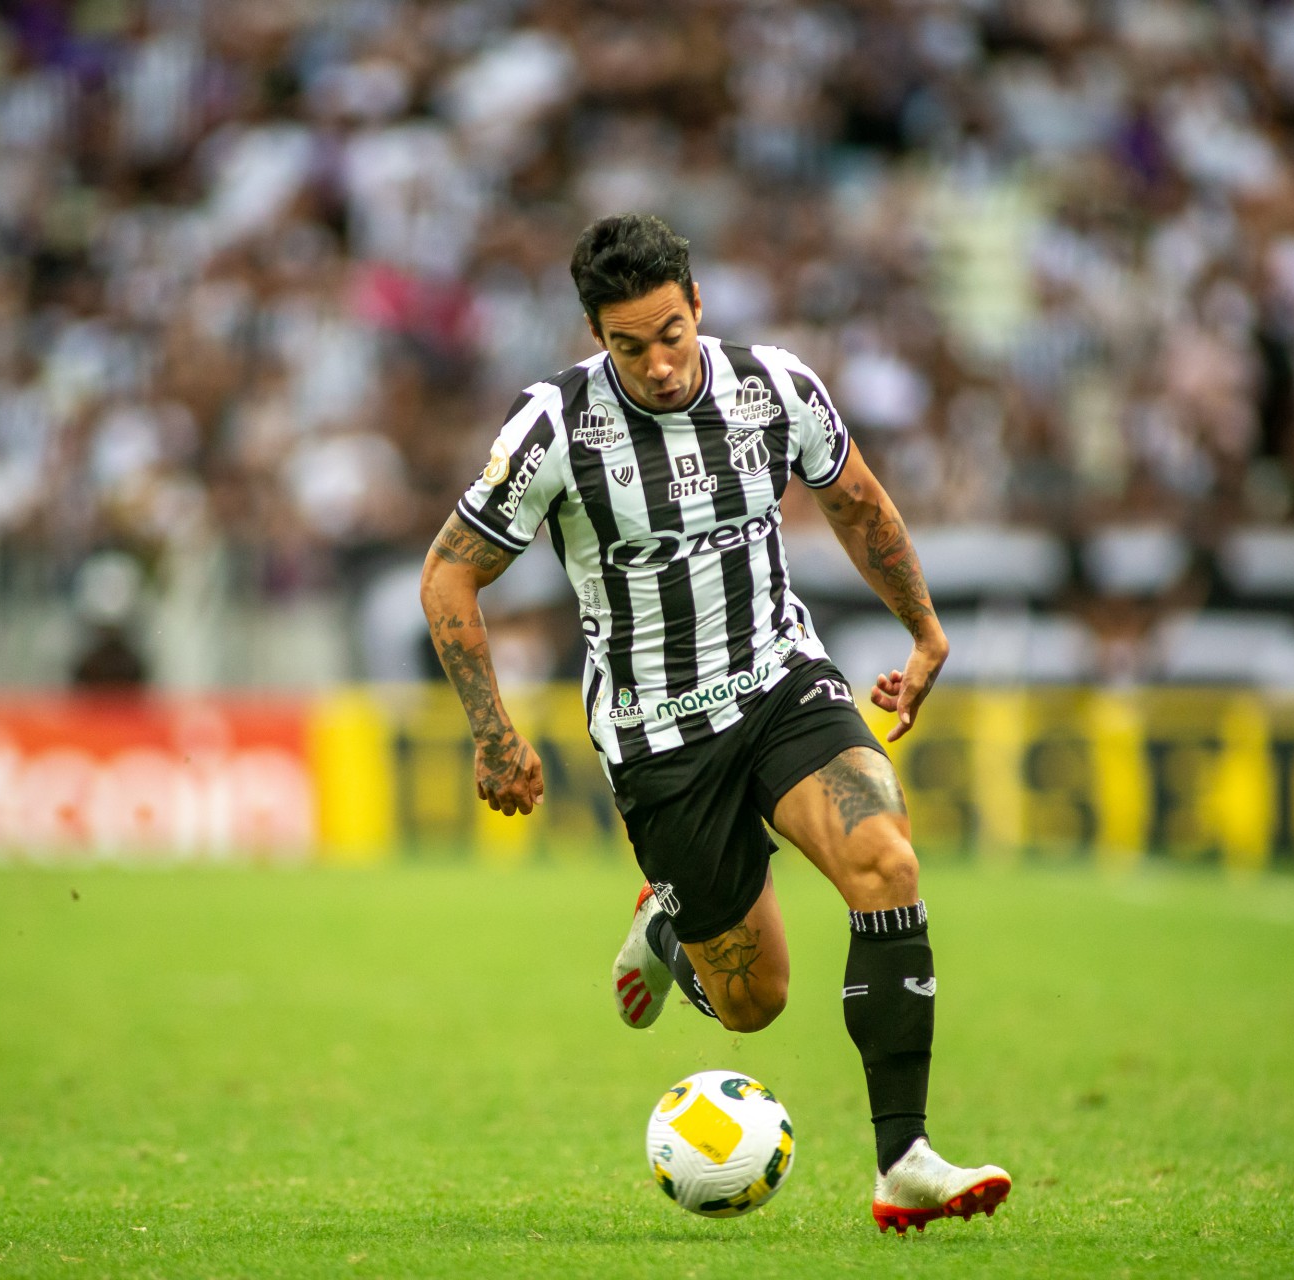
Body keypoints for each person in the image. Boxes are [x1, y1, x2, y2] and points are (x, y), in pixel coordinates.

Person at [419, 214, 1010, 1231]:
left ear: (699, 306)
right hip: (660, 742)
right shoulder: (553, 427)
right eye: (627, 345)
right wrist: (492, 730)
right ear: (596, 338)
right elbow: (448, 573)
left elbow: (858, 502)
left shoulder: (774, 386)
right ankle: (667, 921)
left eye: (670, 333)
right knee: (753, 1001)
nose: (655, 362)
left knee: (887, 859)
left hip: (784, 685)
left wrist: (922, 631)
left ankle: (903, 1155)